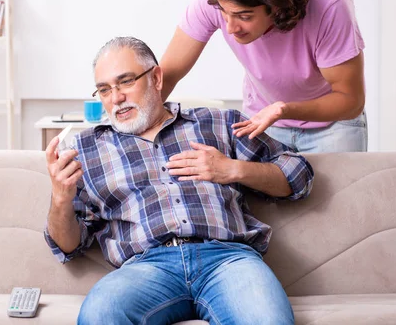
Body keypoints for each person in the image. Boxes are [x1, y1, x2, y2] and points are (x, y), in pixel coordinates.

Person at [44, 36, 314, 324]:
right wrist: (61, 198)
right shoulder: (85, 150)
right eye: (104, 90)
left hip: (228, 260)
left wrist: (234, 170)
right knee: (100, 314)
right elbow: (68, 246)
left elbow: (299, 174)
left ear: (156, 78)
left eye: (125, 82)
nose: (116, 98)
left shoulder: (217, 123)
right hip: (145, 269)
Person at [159, 0, 366, 153]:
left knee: (342, 186)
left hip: (331, 123)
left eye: (244, 16)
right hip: (263, 119)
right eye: (223, 13)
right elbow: (168, 74)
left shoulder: (329, 4)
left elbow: (350, 100)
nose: (230, 27)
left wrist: (284, 110)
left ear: (276, 5)